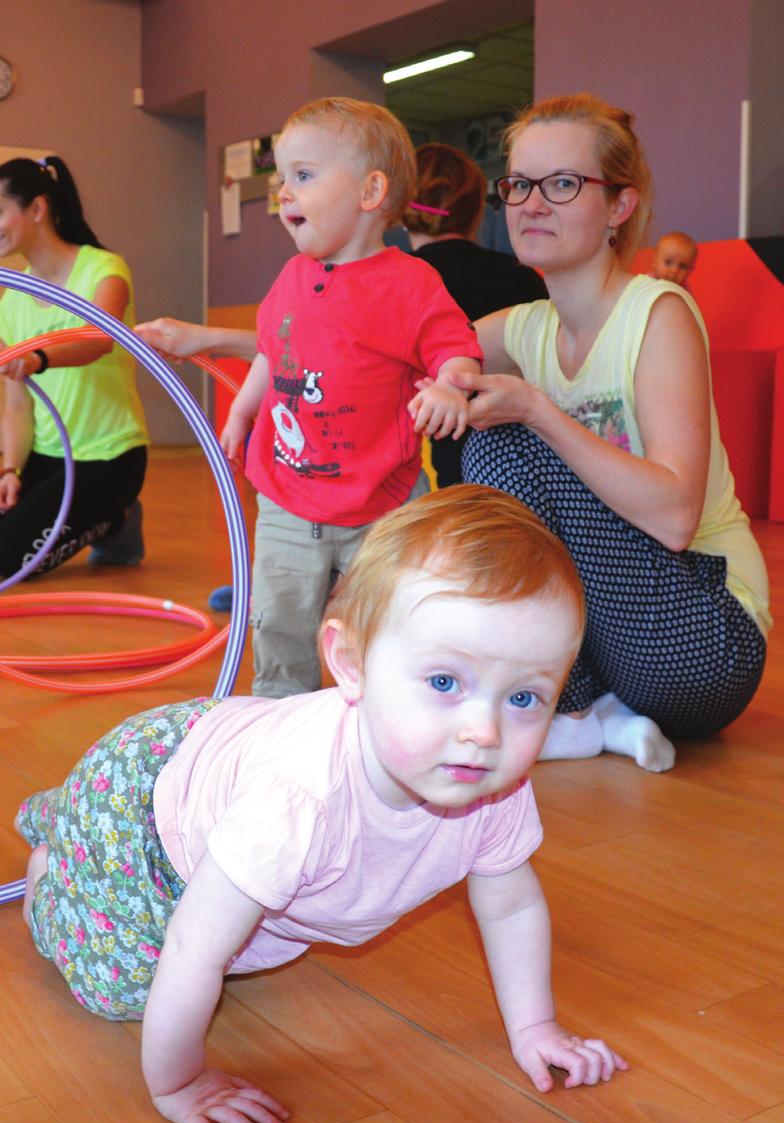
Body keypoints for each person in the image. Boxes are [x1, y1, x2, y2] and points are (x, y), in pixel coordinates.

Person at [16, 485, 627, 1123]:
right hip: (145, 812)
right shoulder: (297, 803)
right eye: (445, 682)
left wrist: (535, 1027)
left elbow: (511, 903)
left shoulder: (487, 779)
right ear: (349, 664)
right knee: (127, 986)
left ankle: (63, 826)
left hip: (224, 756)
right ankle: (48, 877)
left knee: (243, 933)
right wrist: (182, 1082)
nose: (485, 729)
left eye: (526, 698)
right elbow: (193, 948)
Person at [447, 93, 770, 773]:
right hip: (613, 644)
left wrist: (539, 410)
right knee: (481, 426)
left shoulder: (658, 312)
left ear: (619, 207)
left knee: (502, 440)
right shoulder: (526, 326)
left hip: (705, 641)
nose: (533, 203)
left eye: (563, 184)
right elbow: (395, 348)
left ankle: (571, 704)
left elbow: (677, 516)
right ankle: (586, 708)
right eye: (520, 184)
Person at [217, 97, 483, 697]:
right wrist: (242, 409)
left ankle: (378, 713)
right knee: (281, 623)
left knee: (381, 624)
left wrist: (448, 384)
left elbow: (457, 348)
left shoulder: (411, 283)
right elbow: (270, 351)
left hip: (380, 506)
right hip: (287, 497)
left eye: (303, 176)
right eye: (282, 178)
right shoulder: (291, 277)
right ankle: (279, 723)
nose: (283, 192)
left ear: (370, 192)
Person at [0, 155, 148, 579]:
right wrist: (10, 471)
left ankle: (117, 519)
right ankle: (80, 508)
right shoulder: (12, 301)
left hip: (108, 457)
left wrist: (37, 358)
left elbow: (99, 339)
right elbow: (17, 407)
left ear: (36, 209)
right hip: (47, 457)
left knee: (7, 558)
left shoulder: (103, 269)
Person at [405, 143, 548, 487]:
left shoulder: (399, 285)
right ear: (478, 210)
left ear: (402, 211)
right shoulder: (521, 275)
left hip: (450, 472)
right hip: (533, 467)